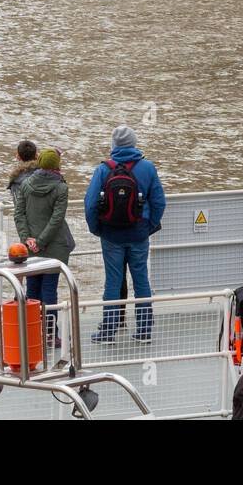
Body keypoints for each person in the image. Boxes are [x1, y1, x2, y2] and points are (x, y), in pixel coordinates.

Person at [85, 125, 166, 343]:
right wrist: (149, 225)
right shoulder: (147, 168)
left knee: (113, 281)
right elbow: (159, 202)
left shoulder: (103, 169)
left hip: (111, 235)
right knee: (141, 281)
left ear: (113, 145)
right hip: (139, 234)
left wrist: (97, 229)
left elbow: (91, 204)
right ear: (134, 143)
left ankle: (109, 332)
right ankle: (144, 331)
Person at [13, 147, 76, 347]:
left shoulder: (25, 184)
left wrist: (28, 239)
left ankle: (32, 332)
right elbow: (57, 219)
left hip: (30, 247)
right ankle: (50, 334)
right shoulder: (61, 188)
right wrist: (41, 241)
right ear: (57, 166)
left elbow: (19, 214)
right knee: (49, 290)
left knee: (32, 290)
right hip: (54, 247)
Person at [7, 139, 38, 207]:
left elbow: (18, 206)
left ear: (18, 156)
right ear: (36, 155)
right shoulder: (46, 174)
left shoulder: (16, 180)